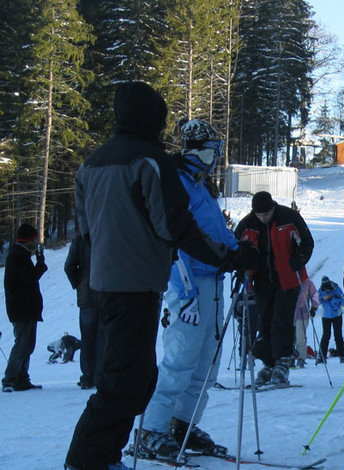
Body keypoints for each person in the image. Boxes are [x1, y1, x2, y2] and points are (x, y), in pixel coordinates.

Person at [65, 81, 257, 470]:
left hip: (125, 278)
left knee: (149, 371)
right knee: (135, 374)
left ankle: (168, 429)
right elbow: (177, 228)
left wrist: (231, 254)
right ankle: (100, 454)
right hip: (161, 280)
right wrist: (228, 257)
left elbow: (86, 230)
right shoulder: (152, 162)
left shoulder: (96, 162)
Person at [137, 119, 239, 460]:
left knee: (207, 364)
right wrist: (184, 295)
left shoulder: (203, 186)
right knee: (179, 360)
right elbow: (175, 242)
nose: (216, 157)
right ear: (197, 150)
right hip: (190, 287)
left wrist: (238, 251)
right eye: (213, 151)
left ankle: (182, 424)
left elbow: (217, 234)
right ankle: (151, 430)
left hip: (214, 284)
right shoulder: (178, 182)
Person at [234, 190, 315, 387]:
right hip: (262, 279)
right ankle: (269, 363)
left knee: (282, 319)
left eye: (266, 215)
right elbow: (234, 248)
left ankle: (283, 363)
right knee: (266, 320)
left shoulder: (288, 217)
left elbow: (307, 242)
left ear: (273, 208)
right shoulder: (247, 223)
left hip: (288, 278)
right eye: (259, 215)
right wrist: (239, 267)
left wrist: (300, 258)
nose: (262, 218)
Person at [3, 223, 47, 393]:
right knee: (22, 344)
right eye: (34, 239)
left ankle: (21, 378)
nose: (36, 242)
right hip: (22, 308)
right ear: (28, 240)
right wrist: (40, 264)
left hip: (26, 308)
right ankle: (11, 378)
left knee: (27, 345)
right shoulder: (17, 256)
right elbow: (29, 279)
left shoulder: (21, 255)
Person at [65, 231, 105, 389]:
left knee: (87, 338)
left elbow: (69, 266)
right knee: (102, 337)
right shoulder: (106, 233)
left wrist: (78, 284)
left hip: (86, 295)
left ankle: (87, 376)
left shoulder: (79, 239)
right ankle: (99, 375)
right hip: (105, 293)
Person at [317, 276, 344, 363]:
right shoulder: (320, 290)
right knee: (326, 335)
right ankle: (322, 356)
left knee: (338, 335)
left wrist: (333, 299)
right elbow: (316, 301)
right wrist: (324, 298)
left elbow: (343, 302)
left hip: (337, 314)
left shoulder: (337, 289)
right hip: (326, 315)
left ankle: (342, 355)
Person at [293, 275, 318, 368]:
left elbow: (314, 295)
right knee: (289, 337)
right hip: (289, 313)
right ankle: (290, 358)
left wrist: (314, 308)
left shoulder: (307, 282)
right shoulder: (288, 280)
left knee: (301, 337)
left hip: (302, 315)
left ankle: (301, 358)